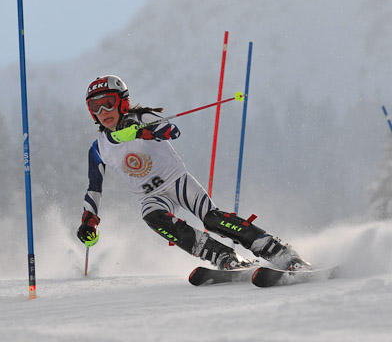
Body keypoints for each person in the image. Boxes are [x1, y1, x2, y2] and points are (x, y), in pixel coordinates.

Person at [76, 74, 310, 271]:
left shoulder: (140, 118)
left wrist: (141, 132)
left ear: (123, 103)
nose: (103, 110)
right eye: (95, 106)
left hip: (177, 181)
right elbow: (94, 188)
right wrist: (90, 221)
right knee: (152, 217)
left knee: (212, 219)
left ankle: (277, 251)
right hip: (150, 196)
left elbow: (172, 130)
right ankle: (223, 257)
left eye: (108, 102)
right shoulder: (99, 147)